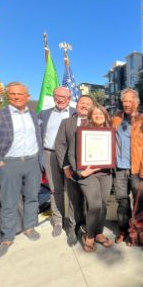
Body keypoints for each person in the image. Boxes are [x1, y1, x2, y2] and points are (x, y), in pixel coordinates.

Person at [0, 82, 44, 259]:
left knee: (32, 197)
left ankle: (29, 227)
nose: (16, 97)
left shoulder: (34, 115)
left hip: (32, 162)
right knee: (8, 201)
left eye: (20, 94)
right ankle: (7, 237)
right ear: (8, 96)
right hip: (9, 164)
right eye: (13, 94)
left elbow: (38, 137)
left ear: (27, 96)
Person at [111, 88, 143, 244]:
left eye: (130, 101)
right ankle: (123, 230)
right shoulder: (116, 117)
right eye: (125, 101)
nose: (127, 104)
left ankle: (137, 233)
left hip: (137, 169)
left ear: (137, 102)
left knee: (139, 202)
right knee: (122, 201)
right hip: (119, 167)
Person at [55, 95, 95, 246]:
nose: (84, 105)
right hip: (71, 169)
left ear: (92, 107)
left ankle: (89, 226)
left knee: (90, 200)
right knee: (73, 200)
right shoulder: (66, 123)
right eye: (81, 103)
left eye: (87, 103)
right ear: (76, 105)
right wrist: (65, 166)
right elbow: (60, 144)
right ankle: (72, 229)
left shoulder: (96, 122)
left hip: (91, 170)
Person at [38, 86, 76, 237]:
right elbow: (38, 136)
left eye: (64, 97)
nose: (60, 99)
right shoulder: (43, 114)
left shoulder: (76, 113)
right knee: (55, 190)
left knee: (73, 189)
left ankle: (74, 221)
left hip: (70, 156)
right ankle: (58, 221)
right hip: (50, 154)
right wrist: (41, 157)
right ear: (53, 97)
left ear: (69, 98)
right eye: (57, 96)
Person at [76, 105, 115, 252]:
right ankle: (90, 236)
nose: (98, 115)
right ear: (90, 116)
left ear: (106, 116)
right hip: (88, 173)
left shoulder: (110, 132)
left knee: (103, 205)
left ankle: (99, 234)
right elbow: (73, 153)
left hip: (105, 173)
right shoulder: (82, 132)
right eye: (95, 113)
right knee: (94, 205)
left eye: (101, 113)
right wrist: (81, 172)